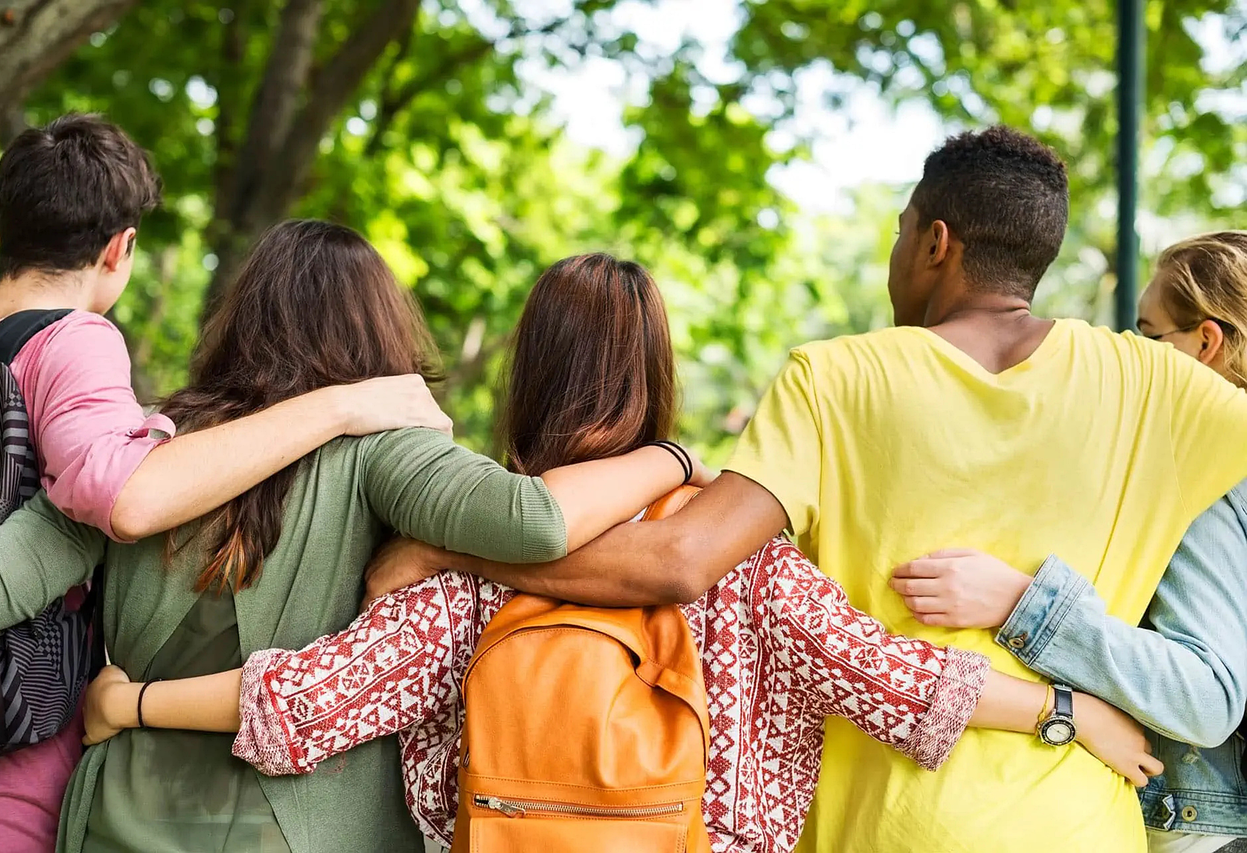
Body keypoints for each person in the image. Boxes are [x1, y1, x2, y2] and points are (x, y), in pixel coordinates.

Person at [349, 129, 1247, 852]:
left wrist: (451, 548)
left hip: (874, 829)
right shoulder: (1162, 386)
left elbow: (681, 559)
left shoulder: (835, 376)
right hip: (1077, 820)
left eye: (900, 230)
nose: (894, 251)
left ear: (936, 243)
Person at [78, 253, 1153, 853]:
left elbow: (306, 704)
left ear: (527, 377)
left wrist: (125, 705)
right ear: (659, 373)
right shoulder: (746, 558)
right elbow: (903, 682)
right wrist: (1072, 713)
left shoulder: (460, 557)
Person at [0, 223, 712, 853]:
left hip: (119, 821)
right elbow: (538, 520)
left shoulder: (146, 450)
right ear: (379, 326)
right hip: (302, 829)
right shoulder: (388, 450)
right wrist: (671, 456)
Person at [0, 114, 449, 852]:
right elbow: (123, 496)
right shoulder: (75, 337)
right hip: (9, 730)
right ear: (120, 248)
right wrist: (347, 402)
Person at [887, 231, 1247, 853]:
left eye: (1148, 333)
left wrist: (1021, 603)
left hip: (1196, 833)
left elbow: (1206, 697)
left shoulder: (1206, 480)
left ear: (1207, 344)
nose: (1131, 351)